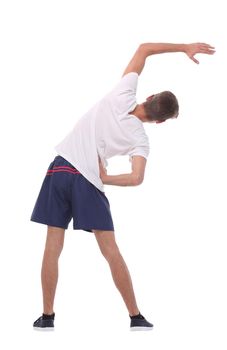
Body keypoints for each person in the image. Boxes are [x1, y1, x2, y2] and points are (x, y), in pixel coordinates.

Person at [31, 42, 215, 331]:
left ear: (150, 96)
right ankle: (136, 317)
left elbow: (144, 49)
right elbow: (136, 178)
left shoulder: (124, 91)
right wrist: (105, 178)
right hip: (88, 180)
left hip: (61, 167)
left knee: (52, 245)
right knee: (111, 250)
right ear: (160, 122)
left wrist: (184, 47)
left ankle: (46, 318)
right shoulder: (140, 139)